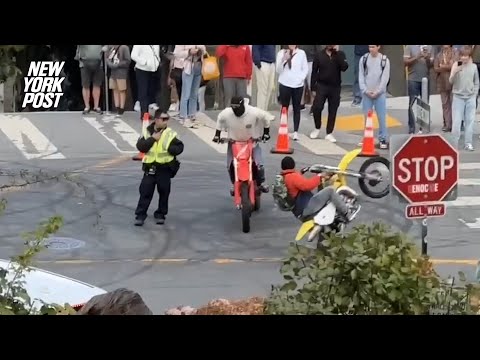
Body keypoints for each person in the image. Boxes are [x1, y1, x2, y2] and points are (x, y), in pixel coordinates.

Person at [212, 96, 273, 194]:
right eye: (233, 108)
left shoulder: (253, 112)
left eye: (237, 108)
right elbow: (220, 118)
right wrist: (217, 135)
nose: (235, 111)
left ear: (242, 105)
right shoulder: (227, 113)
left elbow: (266, 117)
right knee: (230, 165)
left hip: (252, 142)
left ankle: (260, 183)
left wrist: (266, 132)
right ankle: (234, 183)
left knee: (259, 165)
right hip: (234, 143)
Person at [134, 110, 184, 226]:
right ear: (156, 120)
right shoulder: (147, 132)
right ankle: (140, 215)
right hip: (150, 167)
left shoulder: (170, 133)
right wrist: (153, 139)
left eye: (167, 119)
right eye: (163, 119)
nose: (166, 121)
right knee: (145, 192)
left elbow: (180, 147)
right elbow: (141, 146)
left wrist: (171, 150)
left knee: (164, 192)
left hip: (164, 168)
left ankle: (161, 214)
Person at [280, 156, 358, 222]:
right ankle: (347, 213)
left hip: (300, 211)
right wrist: (320, 176)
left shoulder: (284, 177)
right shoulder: (292, 177)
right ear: (293, 165)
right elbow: (307, 186)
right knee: (330, 190)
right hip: (306, 208)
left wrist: (303, 172)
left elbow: (295, 184)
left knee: (322, 190)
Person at [310, 45, 349, 142]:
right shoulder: (319, 55)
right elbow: (314, 71)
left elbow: (344, 67)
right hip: (321, 85)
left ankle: (329, 132)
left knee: (333, 109)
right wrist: (312, 88)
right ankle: (317, 127)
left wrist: (337, 54)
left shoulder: (340, 54)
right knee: (317, 107)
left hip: (335, 87)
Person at [359, 45, 391, 149]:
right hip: (367, 93)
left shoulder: (384, 60)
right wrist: (365, 90)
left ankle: (383, 139)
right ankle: (367, 138)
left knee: (381, 117)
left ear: (378, 47)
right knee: (367, 117)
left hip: (380, 94)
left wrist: (378, 91)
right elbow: (361, 76)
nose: (370, 49)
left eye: (373, 46)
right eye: (369, 47)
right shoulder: (363, 59)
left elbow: (385, 78)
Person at [276, 45, 309, 141]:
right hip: (284, 82)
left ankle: (295, 132)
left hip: (297, 84)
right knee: (284, 107)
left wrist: (300, 79)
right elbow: (278, 70)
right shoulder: (281, 53)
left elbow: (305, 69)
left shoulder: (301, 53)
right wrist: (283, 59)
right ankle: (283, 128)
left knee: (296, 107)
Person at [449, 46, 479, 151]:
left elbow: (476, 82)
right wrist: (455, 72)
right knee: (456, 122)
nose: (464, 58)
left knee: (469, 121)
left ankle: (468, 143)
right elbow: (450, 81)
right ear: (460, 56)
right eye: (462, 56)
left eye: (466, 56)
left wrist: (474, 93)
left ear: (469, 56)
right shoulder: (456, 65)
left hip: (470, 97)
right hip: (458, 97)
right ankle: (454, 144)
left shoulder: (474, 67)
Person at [173, 45, 206, 128]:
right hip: (188, 66)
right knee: (186, 93)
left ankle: (192, 115)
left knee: (194, 94)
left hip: (198, 66)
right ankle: (183, 116)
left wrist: (201, 50)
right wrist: (189, 52)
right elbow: (176, 53)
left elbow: (204, 50)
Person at [403, 45, 433, 134]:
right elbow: (405, 62)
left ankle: (423, 127)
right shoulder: (409, 47)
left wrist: (427, 58)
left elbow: (431, 65)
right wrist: (417, 57)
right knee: (412, 104)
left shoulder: (429, 47)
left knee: (424, 104)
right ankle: (411, 127)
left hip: (426, 79)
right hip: (413, 79)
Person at [131, 45, 161, 119]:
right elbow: (133, 55)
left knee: (150, 91)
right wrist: (144, 62)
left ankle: (148, 112)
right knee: (143, 91)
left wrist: (157, 62)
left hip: (153, 70)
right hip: (142, 69)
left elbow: (156, 53)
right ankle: (144, 114)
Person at [75, 45, 105, 115]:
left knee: (97, 85)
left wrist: (105, 48)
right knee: (85, 85)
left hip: (98, 63)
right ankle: (87, 107)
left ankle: (96, 106)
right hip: (84, 63)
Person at [434, 45, 457, 132]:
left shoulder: (455, 52)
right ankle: (448, 125)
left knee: (454, 104)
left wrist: (442, 66)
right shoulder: (438, 55)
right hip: (442, 83)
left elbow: (455, 66)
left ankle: (455, 124)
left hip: (453, 83)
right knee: (445, 105)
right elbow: (435, 68)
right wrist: (447, 66)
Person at [106, 45, 131, 116]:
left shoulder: (124, 47)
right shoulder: (111, 47)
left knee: (121, 90)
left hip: (121, 72)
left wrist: (118, 65)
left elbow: (128, 60)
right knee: (115, 89)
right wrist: (109, 63)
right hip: (113, 72)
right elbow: (107, 58)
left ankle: (121, 108)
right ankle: (116, 107)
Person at [252, 45, 276, 111]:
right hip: (263, 63)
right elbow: (255, 48)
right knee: (262, 90)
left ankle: (264, 112)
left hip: (271, 64)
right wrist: (258, 64)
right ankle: (260, 113)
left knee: (269, 88)